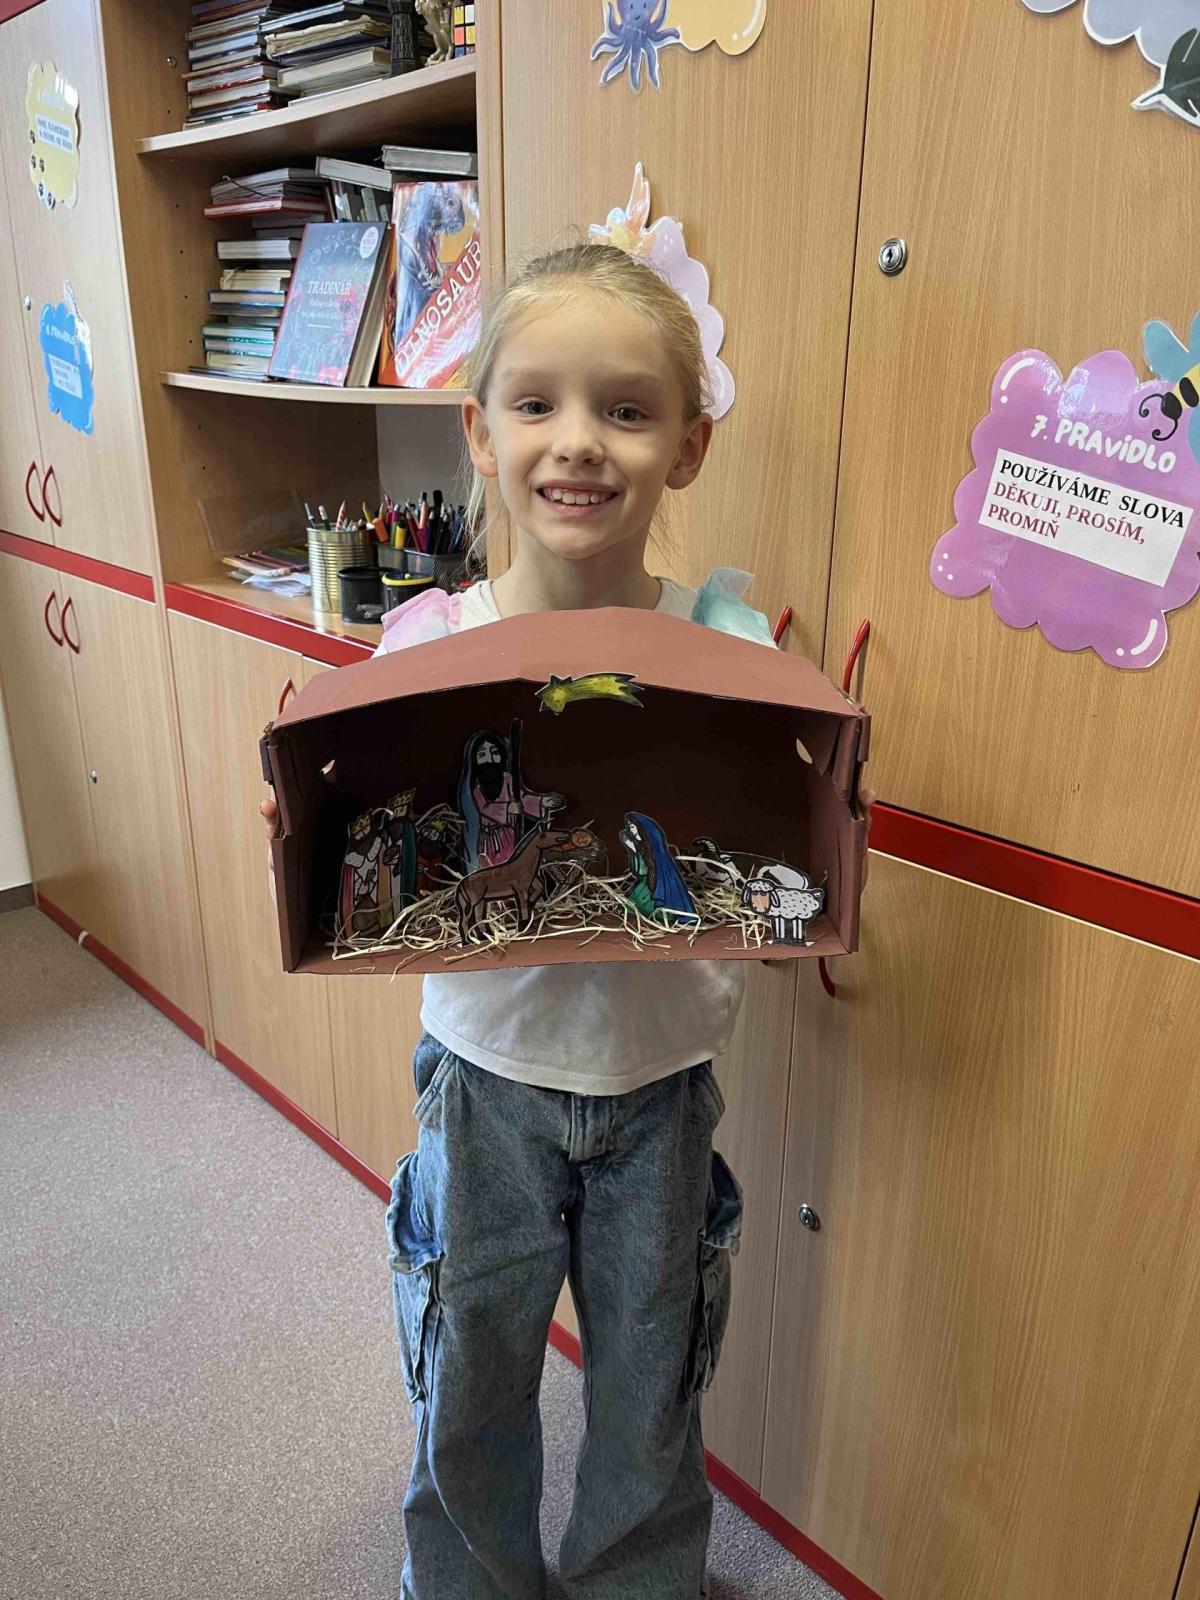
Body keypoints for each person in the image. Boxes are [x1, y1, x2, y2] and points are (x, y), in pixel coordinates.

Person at [261, 242, 874, 1599]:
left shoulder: (731, 650)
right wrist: (315, 831)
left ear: (689, 447)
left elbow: (783, 838)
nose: (579, 442)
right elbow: (363, 823)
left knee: (652, 1384)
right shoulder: (427, 645)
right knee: (469, 1365)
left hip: (662, 1087)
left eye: (628, 409)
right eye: (536, 403)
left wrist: (823, 829)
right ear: (480, 434)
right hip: (484, 1082)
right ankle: (465, 1582)